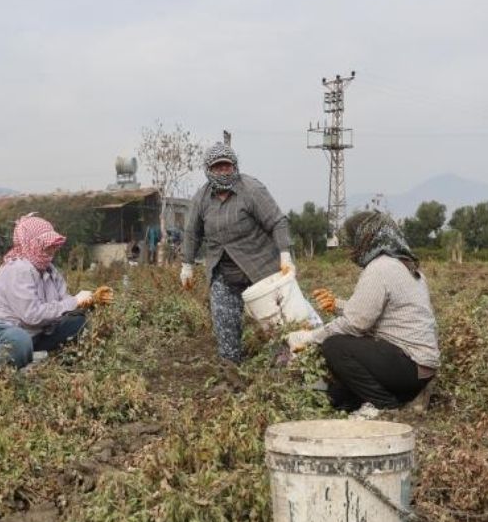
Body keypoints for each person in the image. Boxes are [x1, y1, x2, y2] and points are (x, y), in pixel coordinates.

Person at [286, 210, 439, 417]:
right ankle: (393, 400)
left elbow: (356, 323)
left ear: (366, 239)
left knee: (336, 346)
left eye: (352, 242)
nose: (350, 250)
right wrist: (337, 304)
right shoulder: (404, 265)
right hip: (420, 370)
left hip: (408, 366)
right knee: (338, 398)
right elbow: (373, 310)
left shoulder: (380, 268)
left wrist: (311, 337)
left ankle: (384, 405)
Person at [180, 142, 297, 362]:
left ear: (234, 166)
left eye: (227, 166)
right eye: (218, 167)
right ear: (209, 170)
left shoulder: (251, 190)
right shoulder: (201, 199)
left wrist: (285, 254)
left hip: (261, 270)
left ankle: (286, 369)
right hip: (224, 273)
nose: (223, 171)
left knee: (274, 325)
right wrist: (187, 265)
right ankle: (231, 371)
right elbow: (191, 233)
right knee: (225, 326)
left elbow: (278, 222)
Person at [0, 213, 112, 369]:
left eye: (52, 244)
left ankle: (43, 361)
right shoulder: (18, 269)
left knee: (77, 322)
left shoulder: (50, 270)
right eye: (47, 244)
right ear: (31, 244)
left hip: (32, 332)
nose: (52, 249)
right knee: (18, 340)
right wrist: (75, 301)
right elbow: (32, 315)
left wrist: (90, 300)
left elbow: (63, 305)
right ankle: (0, 376)